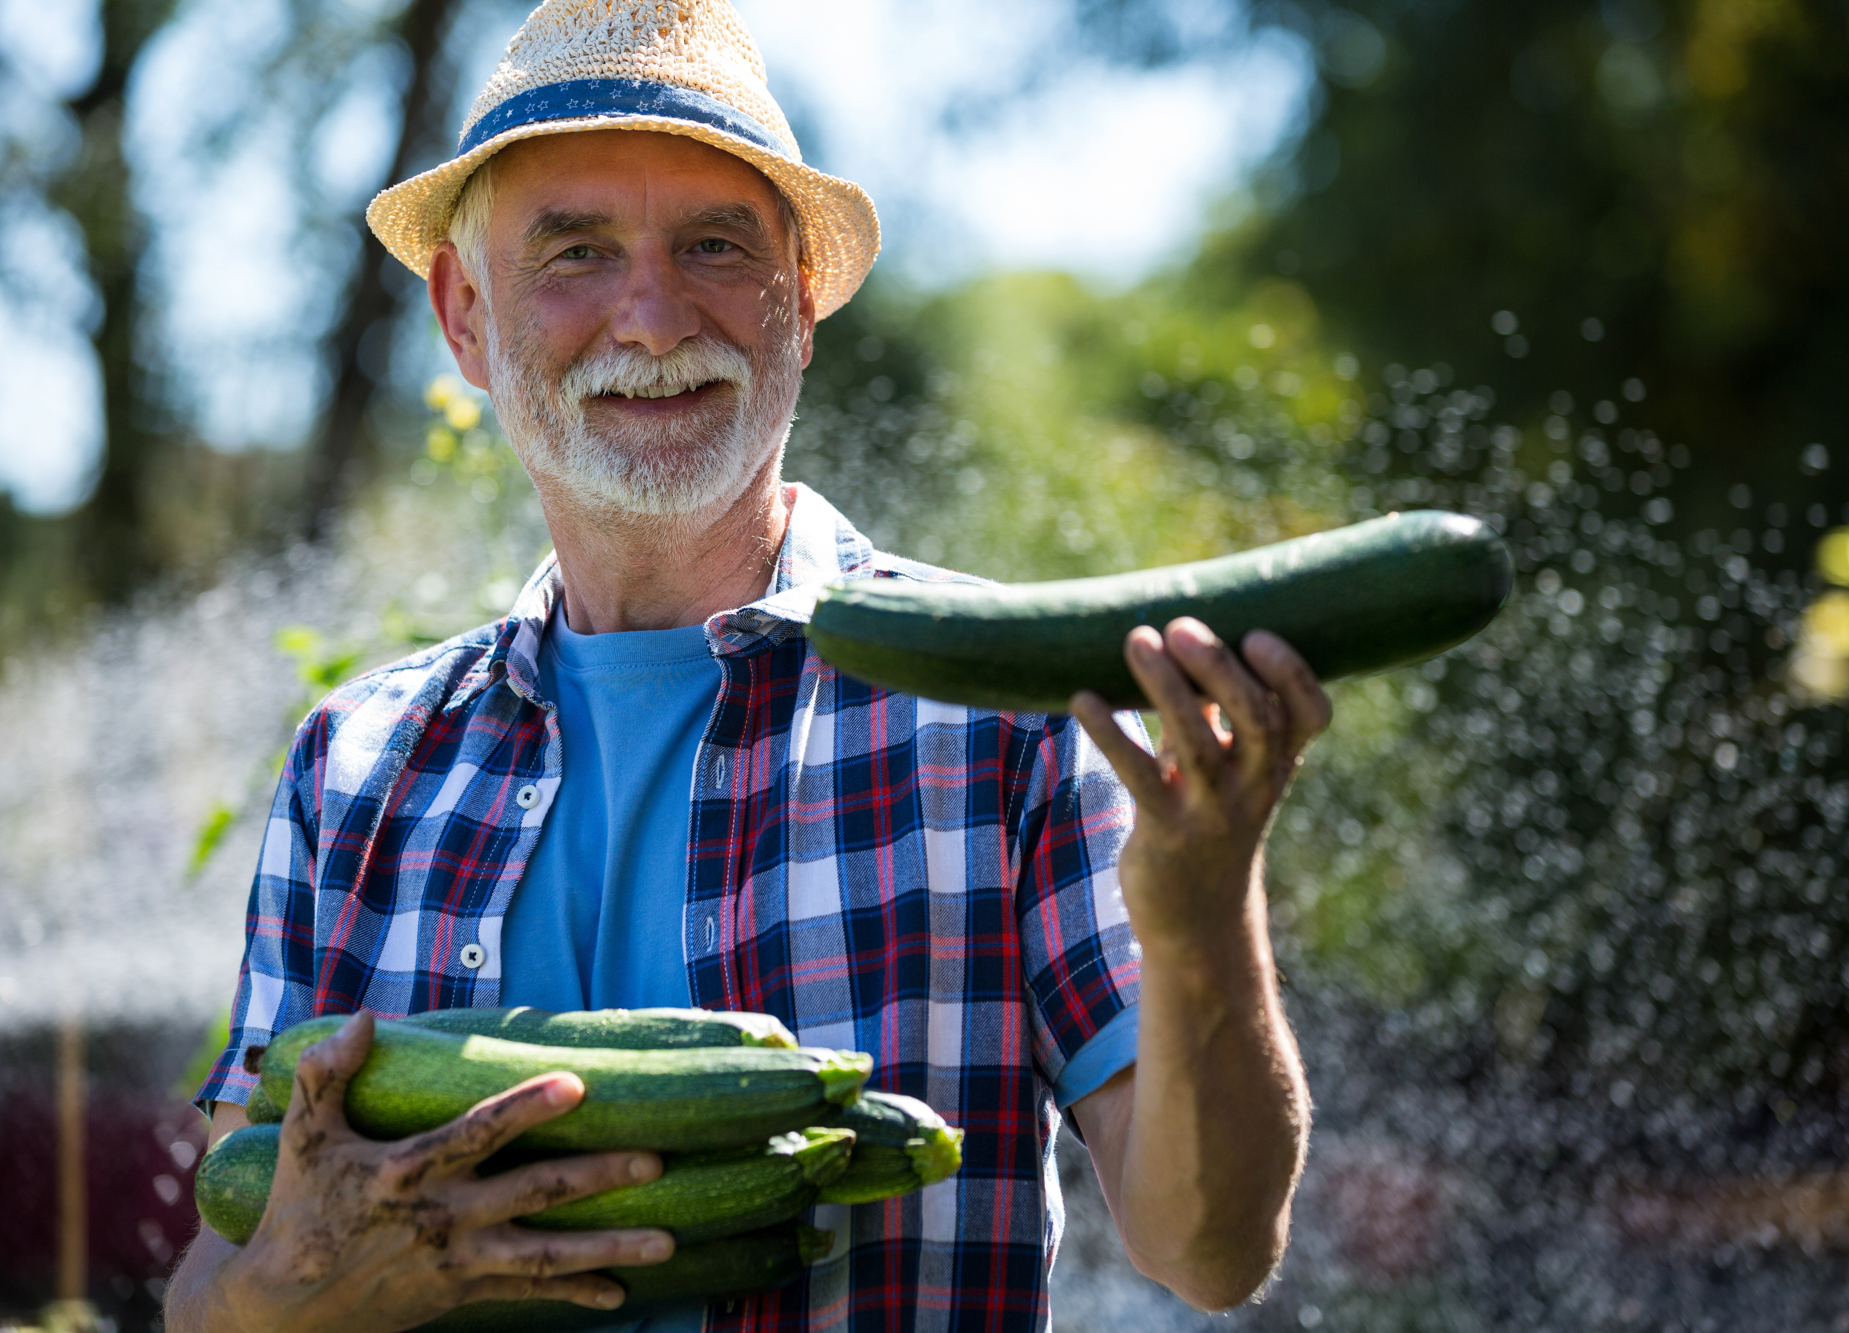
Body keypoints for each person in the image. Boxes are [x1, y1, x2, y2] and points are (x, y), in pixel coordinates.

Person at [164, 2, 1329, 1329]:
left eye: (713, 246)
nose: (652, 317)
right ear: (466, 317)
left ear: (804, 302)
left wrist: (1205, 920)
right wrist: (297, 1296)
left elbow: (1211, 1247)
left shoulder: (1010, 714)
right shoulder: (356, 767)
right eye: (576, 252)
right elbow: (215, 1270)